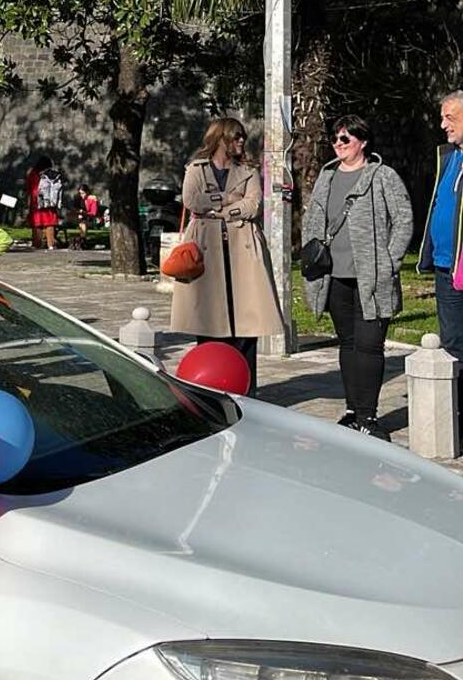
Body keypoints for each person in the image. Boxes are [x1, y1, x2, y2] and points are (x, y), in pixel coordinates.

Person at [302, 114, 413, 437]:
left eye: (345, 139)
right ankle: (352, 411)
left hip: (372, 277)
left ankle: (369, 417)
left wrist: (389, 261)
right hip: (333, 275)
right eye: (335, 139)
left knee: (369, 346)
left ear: (362, 142)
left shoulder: (382, 176)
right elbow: (313, 221)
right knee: (348, 344)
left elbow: (404, 219)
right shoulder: (327, 176)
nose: (338, 144)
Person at [170, 117, 283, 394]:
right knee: (208, 323)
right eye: (235, 137)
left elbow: (253, 205)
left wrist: (220, 209)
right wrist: (229, 199)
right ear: (220, 138)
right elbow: (192, 201)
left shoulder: (247, 170)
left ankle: (247, 390)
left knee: (247, 323)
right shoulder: (196, 169)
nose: (241, 142)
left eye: (242, 137)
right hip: (206, 250)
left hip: (242, 250)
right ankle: (208, 387)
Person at [419, 90, 463, 364]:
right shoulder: (448, 156)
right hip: (445, 266)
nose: (443, 125)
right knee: (452, 344)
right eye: (442, 118)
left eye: (450, 118)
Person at [26, 155, 62, 251]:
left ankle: (37, 243)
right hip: (49, 200)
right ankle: (51, 244)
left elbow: (29, 186)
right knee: (49, 222)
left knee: (37, 222)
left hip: (36, 199)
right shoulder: (52, 173)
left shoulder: (33, 173)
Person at [75, 184, 101, 248]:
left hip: (93, 219)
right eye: (80, 193)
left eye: (83, 193)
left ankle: (82, 241)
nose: (81, 195)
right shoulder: (79, 199)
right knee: (82, 223)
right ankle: (82, 241)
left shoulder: (92, 199)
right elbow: (76, 209)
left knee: (83, 224)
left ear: (87, 192)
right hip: (83, 218)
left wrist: (83, 213)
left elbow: (93, 213)